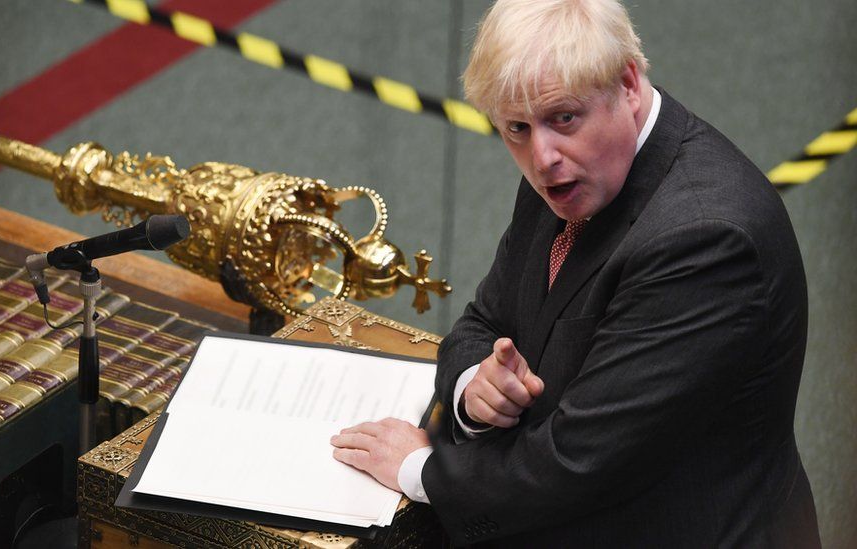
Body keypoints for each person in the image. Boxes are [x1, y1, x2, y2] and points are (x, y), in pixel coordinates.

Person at [330, 0, 821, 546]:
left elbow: (577, 462)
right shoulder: (572, 174)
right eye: (515, 127)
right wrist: (476, 392)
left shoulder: (706, 241)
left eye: (563, 117)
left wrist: (418, 470)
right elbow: (481, 323)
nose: (541, 157)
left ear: (629, 85)